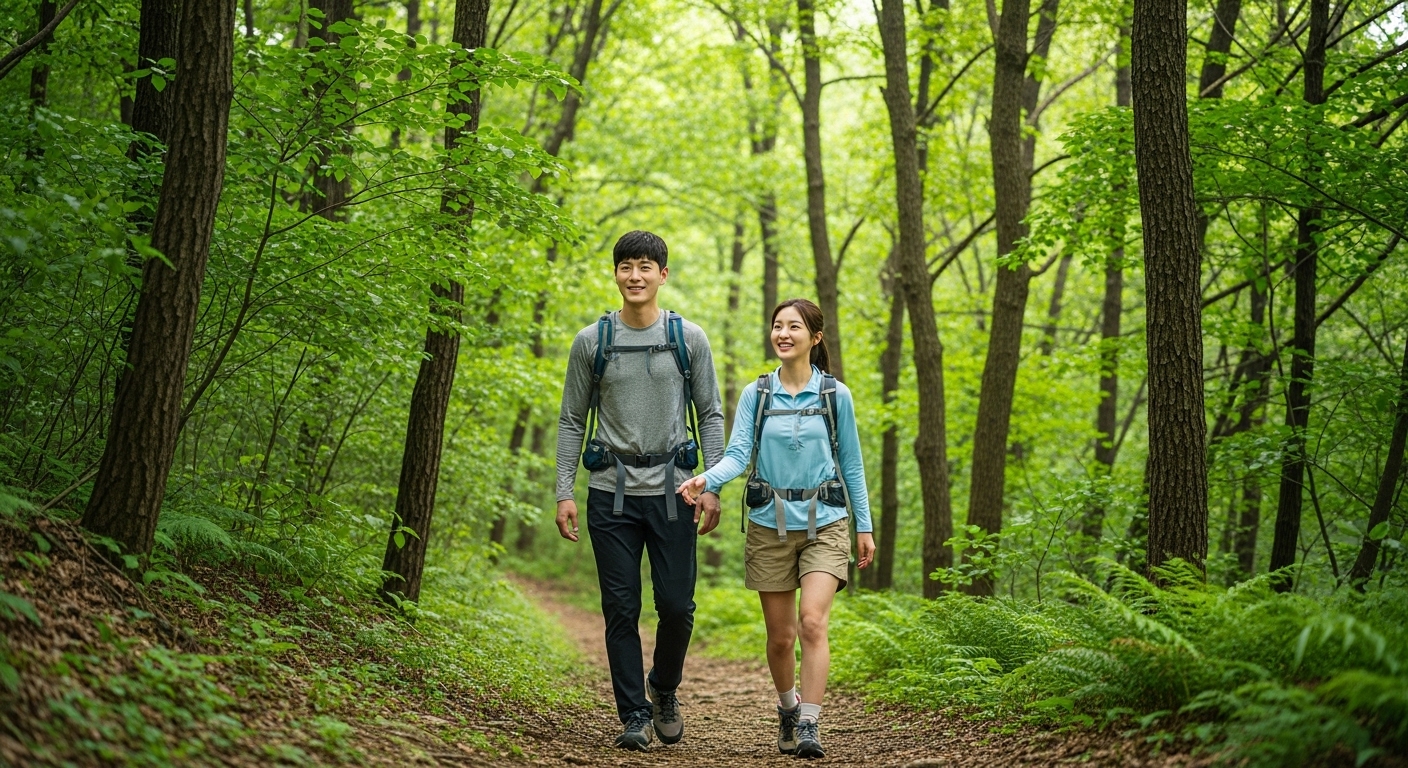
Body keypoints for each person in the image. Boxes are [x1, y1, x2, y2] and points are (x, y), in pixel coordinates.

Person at [677, 298, 874, 760]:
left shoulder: (835, 395)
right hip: (769, 525)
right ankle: (788, 707)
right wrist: (707, 479)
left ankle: (810, 724)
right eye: (778, 326)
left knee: (812, 622)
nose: (783, 334)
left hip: (827, 521)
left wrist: (864, 526)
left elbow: (852, 464)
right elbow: (737, 453)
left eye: (794, 327)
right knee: (781, 637)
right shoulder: (758, 393)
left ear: (815, 337)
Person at [554, 230, 725, 751]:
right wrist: (564, 490)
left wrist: (713, 484)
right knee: (621, 608)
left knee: (676, 605)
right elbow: (571, 420)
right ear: (615, 274)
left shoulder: (688, 338)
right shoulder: (592, 341)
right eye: (626, 266)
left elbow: (711, 414)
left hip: (677, 491)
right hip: (611, 493)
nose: (635, 276)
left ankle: (663, 688)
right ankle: (633, 714)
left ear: (662, 275)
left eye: (645, 267)